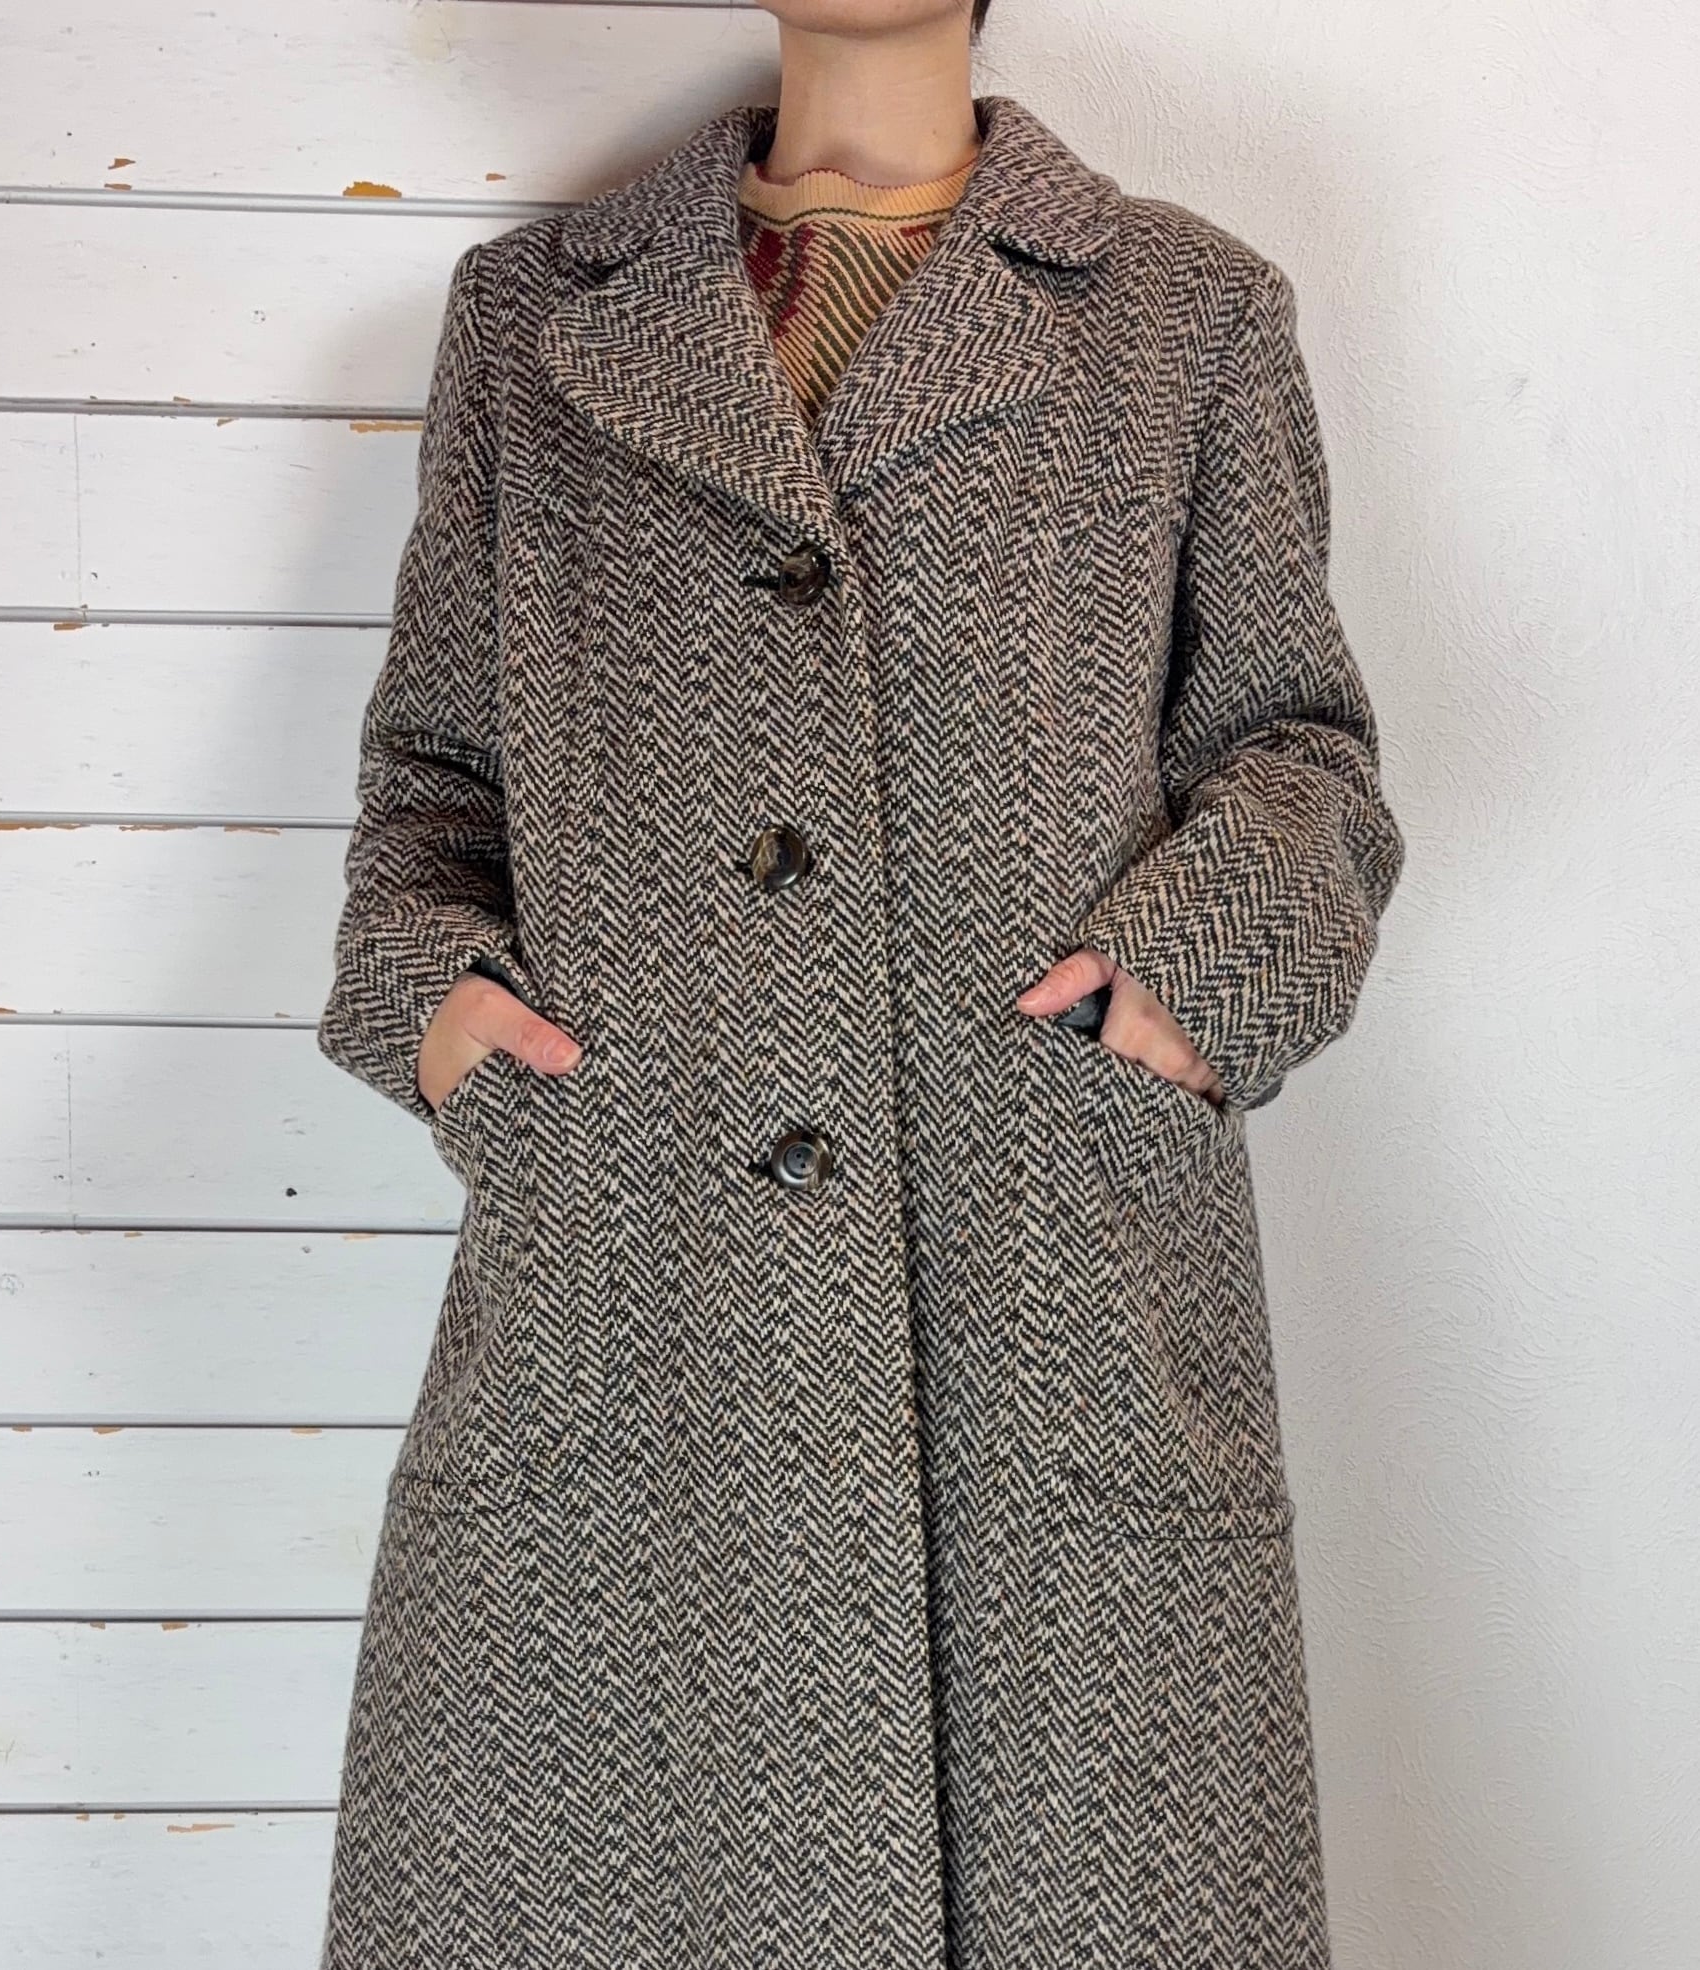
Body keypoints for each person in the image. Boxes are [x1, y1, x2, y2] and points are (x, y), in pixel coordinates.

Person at [316, 2, 1405, 1966]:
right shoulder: (532, 320)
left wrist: (1173, 991)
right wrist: (439, 1006)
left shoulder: (1184, 309)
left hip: (1040, 1265)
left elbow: (1298, 745)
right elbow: (436, 777)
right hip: (630, 1276)